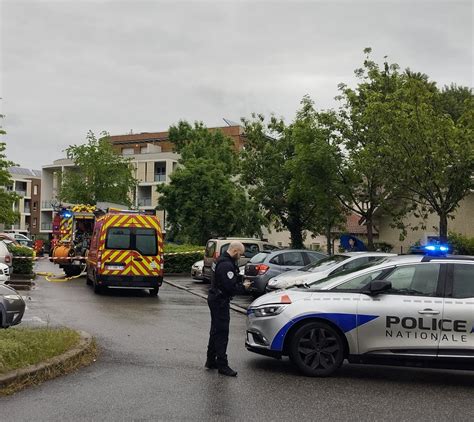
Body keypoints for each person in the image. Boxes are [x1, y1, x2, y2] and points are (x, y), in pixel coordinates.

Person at [206, 241, 250, 377]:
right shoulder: (226, 265)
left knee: (215, 330)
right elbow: (229, 287)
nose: (240, 256)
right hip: (220, 301)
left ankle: (211, 360)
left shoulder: (220, 260)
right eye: (240, 254)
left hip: (215, 298)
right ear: (236, 251)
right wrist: (244, 287)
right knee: (222, 333)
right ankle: (222, 365)